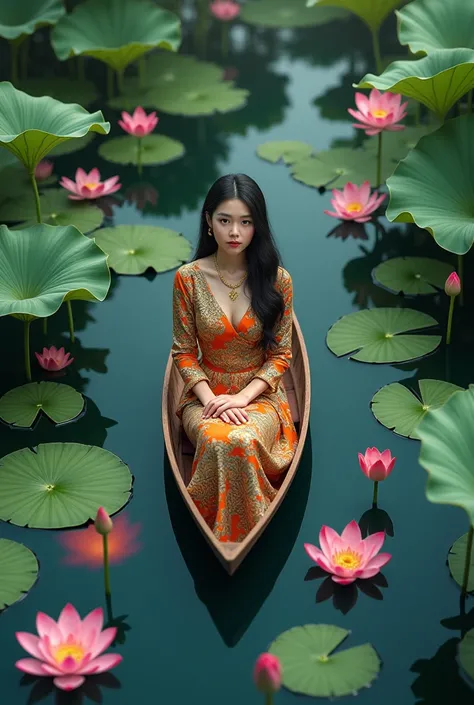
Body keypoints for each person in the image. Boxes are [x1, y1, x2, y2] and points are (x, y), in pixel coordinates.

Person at [171, 174, 298, 543]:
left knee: (241, 439)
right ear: (208, 221)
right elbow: (182, 352)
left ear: (257, 226)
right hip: (204, 393)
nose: (234, 232)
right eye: (225, 220)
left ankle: (243, 530)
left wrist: (241, 398)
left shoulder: (278, 281)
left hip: (259, 394)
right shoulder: (187, 279)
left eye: (245, 222)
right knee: (214, 438)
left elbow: (281, 355)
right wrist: (212, 402)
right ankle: (218, 530)